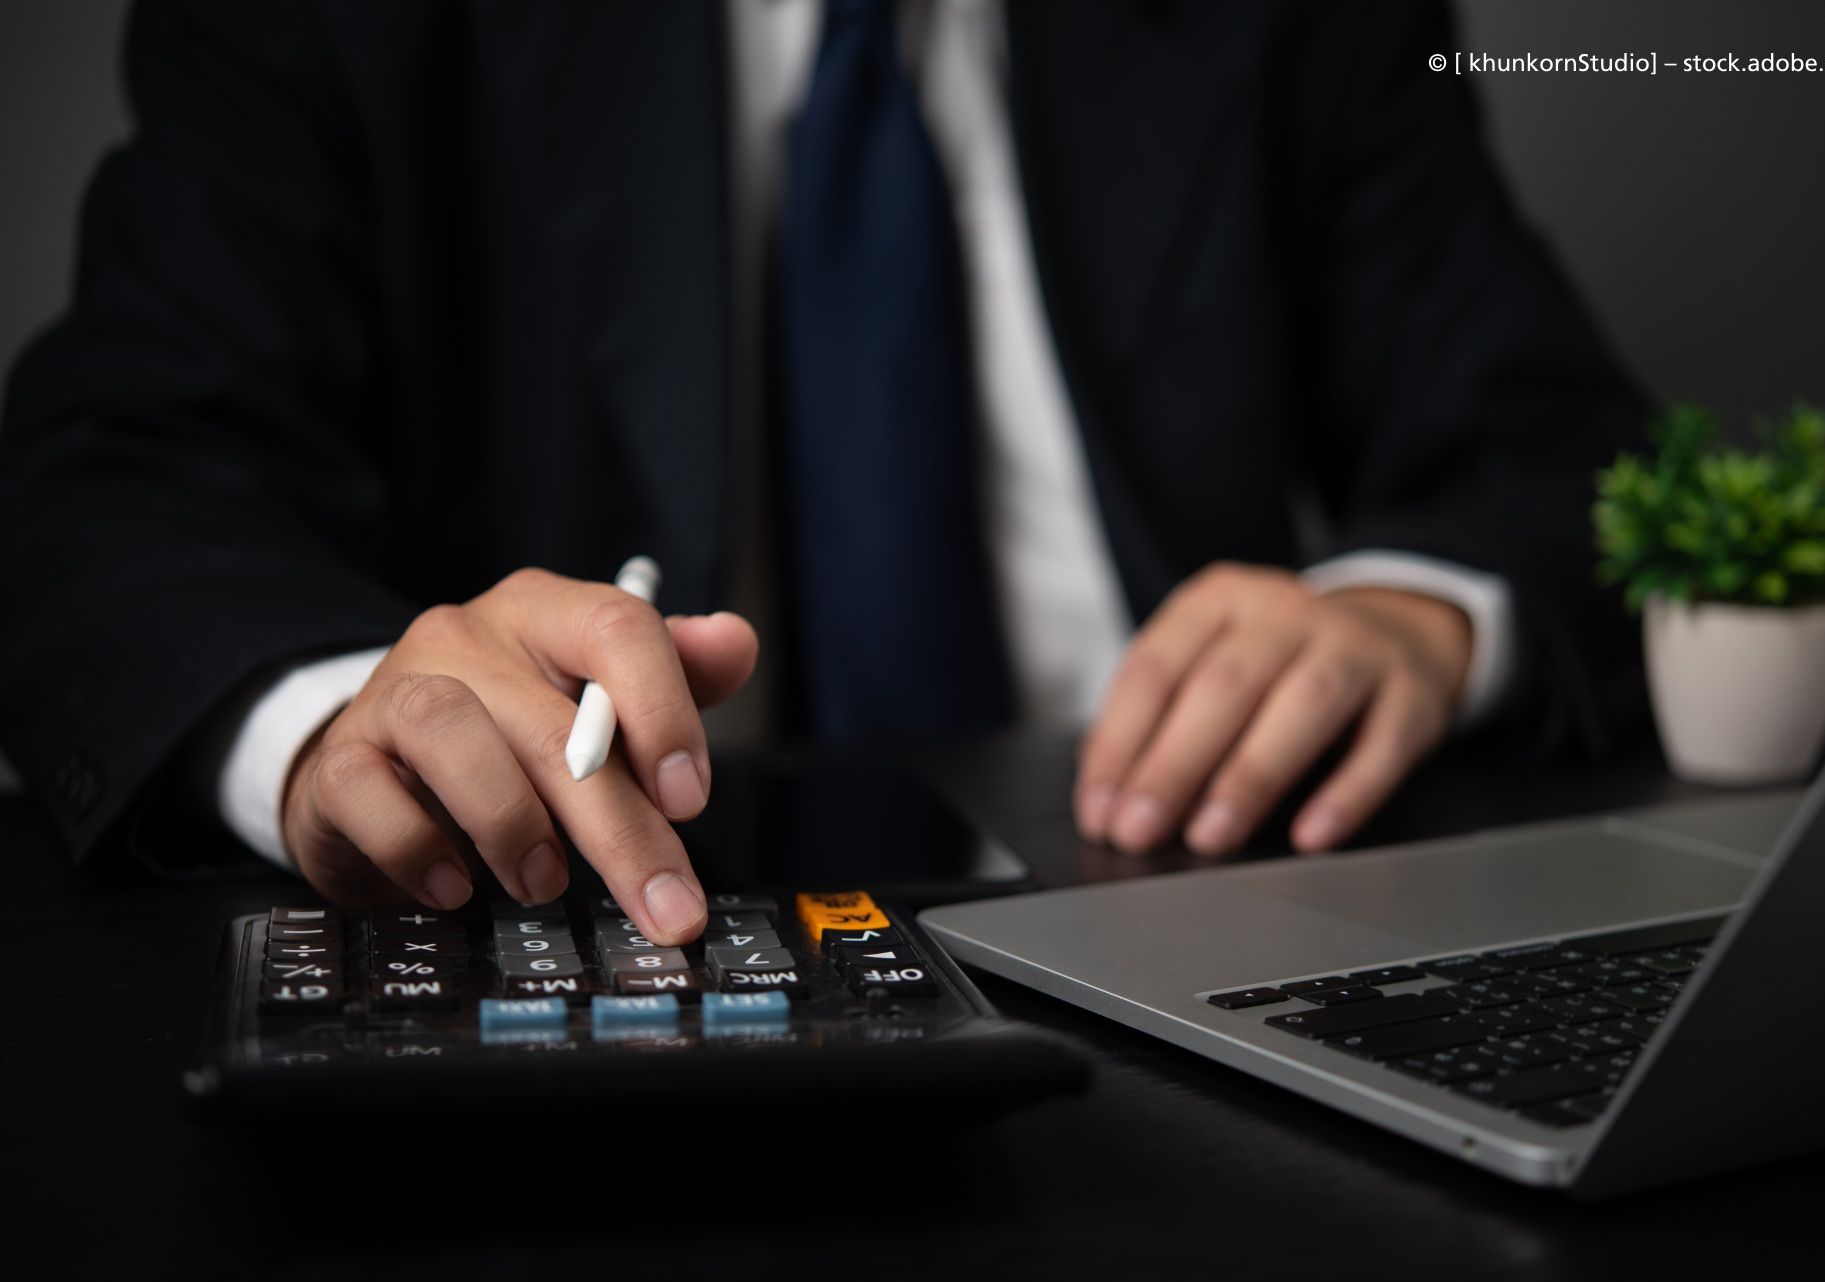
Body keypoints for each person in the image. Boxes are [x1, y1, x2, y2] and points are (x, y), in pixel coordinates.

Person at [0, 0, 1645, 948]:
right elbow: (108, 483)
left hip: (1199, 916)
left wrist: (1420, 613)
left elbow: (1561, 449)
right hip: (623, 974)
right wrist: (342, 720)